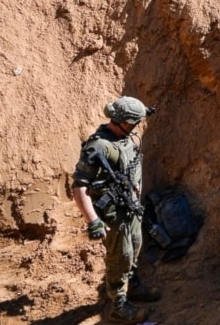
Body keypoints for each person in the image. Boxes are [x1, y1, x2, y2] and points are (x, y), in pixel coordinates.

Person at [72, 96, 161, 324]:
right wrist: (93, 221)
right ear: (124, 121)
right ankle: (118, 307)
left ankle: (133, 286)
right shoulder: (99, 146)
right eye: (135, 122)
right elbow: (79, 186)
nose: (137, 126)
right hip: (113, 214)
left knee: (135, 248)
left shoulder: (125, 138)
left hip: (130, 208)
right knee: (119, 257)